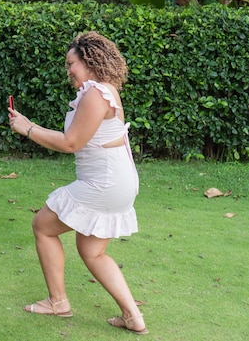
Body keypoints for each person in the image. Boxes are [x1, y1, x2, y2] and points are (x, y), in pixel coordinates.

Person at [8, 31, 148, 335]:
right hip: (118, 180)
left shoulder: (97, 94)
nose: (68, 70)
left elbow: (71, 143)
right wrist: (28, 124)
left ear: (89, 60)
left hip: (105, 182)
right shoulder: (102, 90)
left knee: (43, 226)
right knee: (91, 249)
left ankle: (58, 302)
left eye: (71, 63)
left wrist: (27, 130)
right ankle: (133, 316)